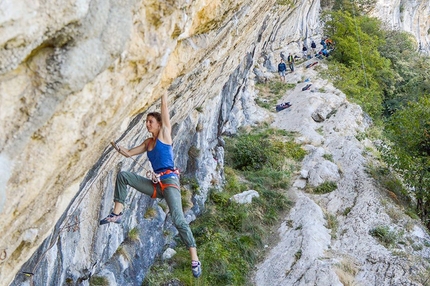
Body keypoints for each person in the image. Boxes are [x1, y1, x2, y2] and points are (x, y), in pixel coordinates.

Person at [99, 92, 202, 278]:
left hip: (169, 183)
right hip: (157, 184)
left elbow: (165, 111)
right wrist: (117, 146)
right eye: (146, 121)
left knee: (178, 219)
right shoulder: (148, 142)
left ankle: (194, 258)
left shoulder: (164, 134)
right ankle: (117, 213)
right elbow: (129, 153)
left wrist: (163, 94)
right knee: (124, 176)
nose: (147, 124)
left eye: (150, 122)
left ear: (159, 124)